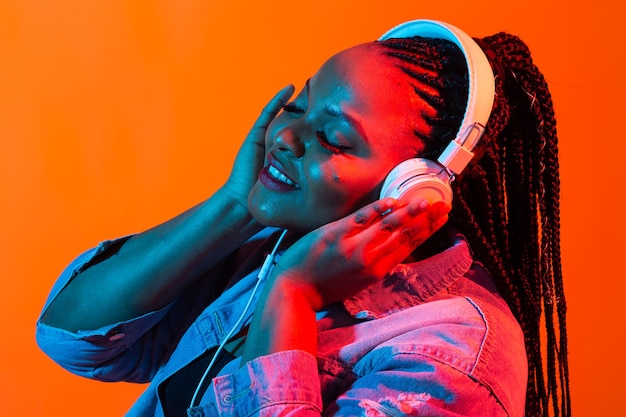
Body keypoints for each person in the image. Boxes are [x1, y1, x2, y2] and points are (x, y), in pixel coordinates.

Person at [36, 19, 570, 417]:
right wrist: (235, 207)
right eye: (298, 107)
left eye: (331, 137)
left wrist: (292, 297)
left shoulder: (454, 356)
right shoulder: (274, 247)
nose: (287, 136)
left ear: (414, 188)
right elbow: (75, 341)